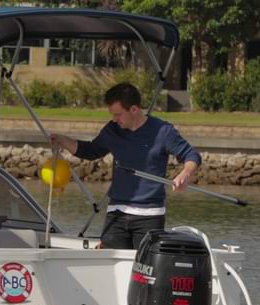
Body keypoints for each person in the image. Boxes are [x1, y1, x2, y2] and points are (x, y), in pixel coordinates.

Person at [51, 82, 201, 249]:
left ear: (134, 110)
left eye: (118, 114)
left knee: (143, 270)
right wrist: (62, 140)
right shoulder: (112, 130)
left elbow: (191, 155)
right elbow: (90, 150)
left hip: (149, 216)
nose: (114, 119)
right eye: (112, 115)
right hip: (116, 213)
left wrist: (185, 173)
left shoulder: (162, 131)